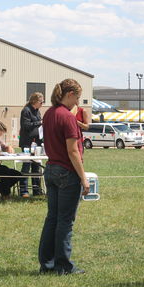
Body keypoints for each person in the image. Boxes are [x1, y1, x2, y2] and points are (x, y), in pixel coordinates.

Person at [38, 79, 89, 275]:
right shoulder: (67, 117)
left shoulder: (49, 114)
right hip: (67, 172)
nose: (77, 102)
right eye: (77, 98)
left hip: (51, 169)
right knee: (65, 221)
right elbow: (73, 151)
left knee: (52, 218)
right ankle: (63, 265)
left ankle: (47, 263)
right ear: (69, 94)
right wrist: (83, 178)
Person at [18, 92, 44, 197]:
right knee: (26, 166)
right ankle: (24, 191)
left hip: (36, 142)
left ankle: (36, 190)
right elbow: (26, 126)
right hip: (27, 143)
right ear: (35, 101)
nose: (42, 104)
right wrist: (40, 122)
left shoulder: (37, 111)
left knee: (36, 166)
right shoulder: (26, 110)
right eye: (41, 102)